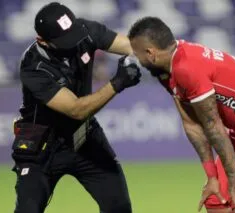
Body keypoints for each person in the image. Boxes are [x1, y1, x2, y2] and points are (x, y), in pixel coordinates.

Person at [127, 17, 235, 213]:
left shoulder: (188, 68)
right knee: (216, 201)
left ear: (151, 53)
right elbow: (192, 124)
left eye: (137, 54)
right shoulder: (167, 71)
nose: (137, 60)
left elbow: (212, 124)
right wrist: (212, 177)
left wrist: (234, 176)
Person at [11, 2, 141, 213]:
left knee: (119, 207)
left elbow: (133, 47)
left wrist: (141, 58)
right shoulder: (33, 67)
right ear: (41, 41)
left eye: (72, 34)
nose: (73, 43)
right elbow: (76, 109)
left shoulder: (83, 31)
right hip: (42, 145)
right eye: (64, 41)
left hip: (84, 136)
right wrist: (117, 82)